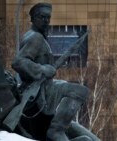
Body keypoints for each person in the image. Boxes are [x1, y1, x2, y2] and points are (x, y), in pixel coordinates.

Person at [12, 3, 92, 141]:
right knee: (80, 91)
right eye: (42, 17)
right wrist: (42, 69)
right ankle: (56, 130)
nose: (46, 21)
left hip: (44, 87)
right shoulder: (35, 37)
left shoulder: (36, 36)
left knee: (63, 83)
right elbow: (18, 62)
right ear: (33, 18)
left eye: (48, 18)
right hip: (39, 93)